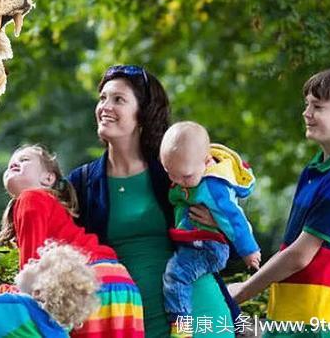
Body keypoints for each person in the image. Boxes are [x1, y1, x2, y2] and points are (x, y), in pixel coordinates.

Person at [68, 65, 236, 338]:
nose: (105, 106)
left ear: (142, 114)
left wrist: (219, 225)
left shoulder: (173, 171)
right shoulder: (82, 183)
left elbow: (234, 239)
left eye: (118, 99)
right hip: (130, 320)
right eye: (103, 98)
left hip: (196, 312)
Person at [228, 68, 330, 337]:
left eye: (317, 106)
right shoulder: (317, 168)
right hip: (292, 316)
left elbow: (299, 255)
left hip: (318, 321)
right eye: (307, 104)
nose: (306, 113)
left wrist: (241, 291)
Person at [0, 144, 145, 338]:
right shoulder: (48, 205)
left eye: (24, 160)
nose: (14, 163)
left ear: (48, 178)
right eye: (10, 164)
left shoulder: (30, 198)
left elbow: (32, 269)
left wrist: (10, 292)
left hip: (88, 284)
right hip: (120, 283)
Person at [160, 121, 261, 336]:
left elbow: (235, 219)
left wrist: (248, 250)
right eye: (171, 174)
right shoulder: (188, 174)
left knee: (176, 276)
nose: (179, 182)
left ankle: (182, 327)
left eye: (185, 176)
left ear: (206, 162)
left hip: (209, 246)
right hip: (196, 241)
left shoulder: (214, 187)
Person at [0, 242, 99, 338]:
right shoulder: (61, 330)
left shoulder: (18, 309)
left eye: (38, 264)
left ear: (38, 292)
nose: (32, 260)